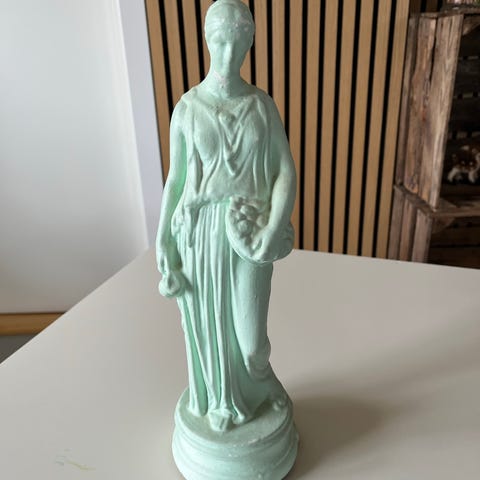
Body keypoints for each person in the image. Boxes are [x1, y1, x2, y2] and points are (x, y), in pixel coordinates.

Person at [156, 0, 296, 433]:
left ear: (249, 43)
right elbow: (176, 179)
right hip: (199, 233)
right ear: (206, 39)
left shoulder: (261, 106)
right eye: (220, 41)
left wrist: (274, 227)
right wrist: (162, 239)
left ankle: (262, 383)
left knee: (251, 343)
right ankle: (223, 403)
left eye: (238, 42)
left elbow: (285, 171)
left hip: (250, 231)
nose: (228, 52)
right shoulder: (188, 108)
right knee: (211, 329)